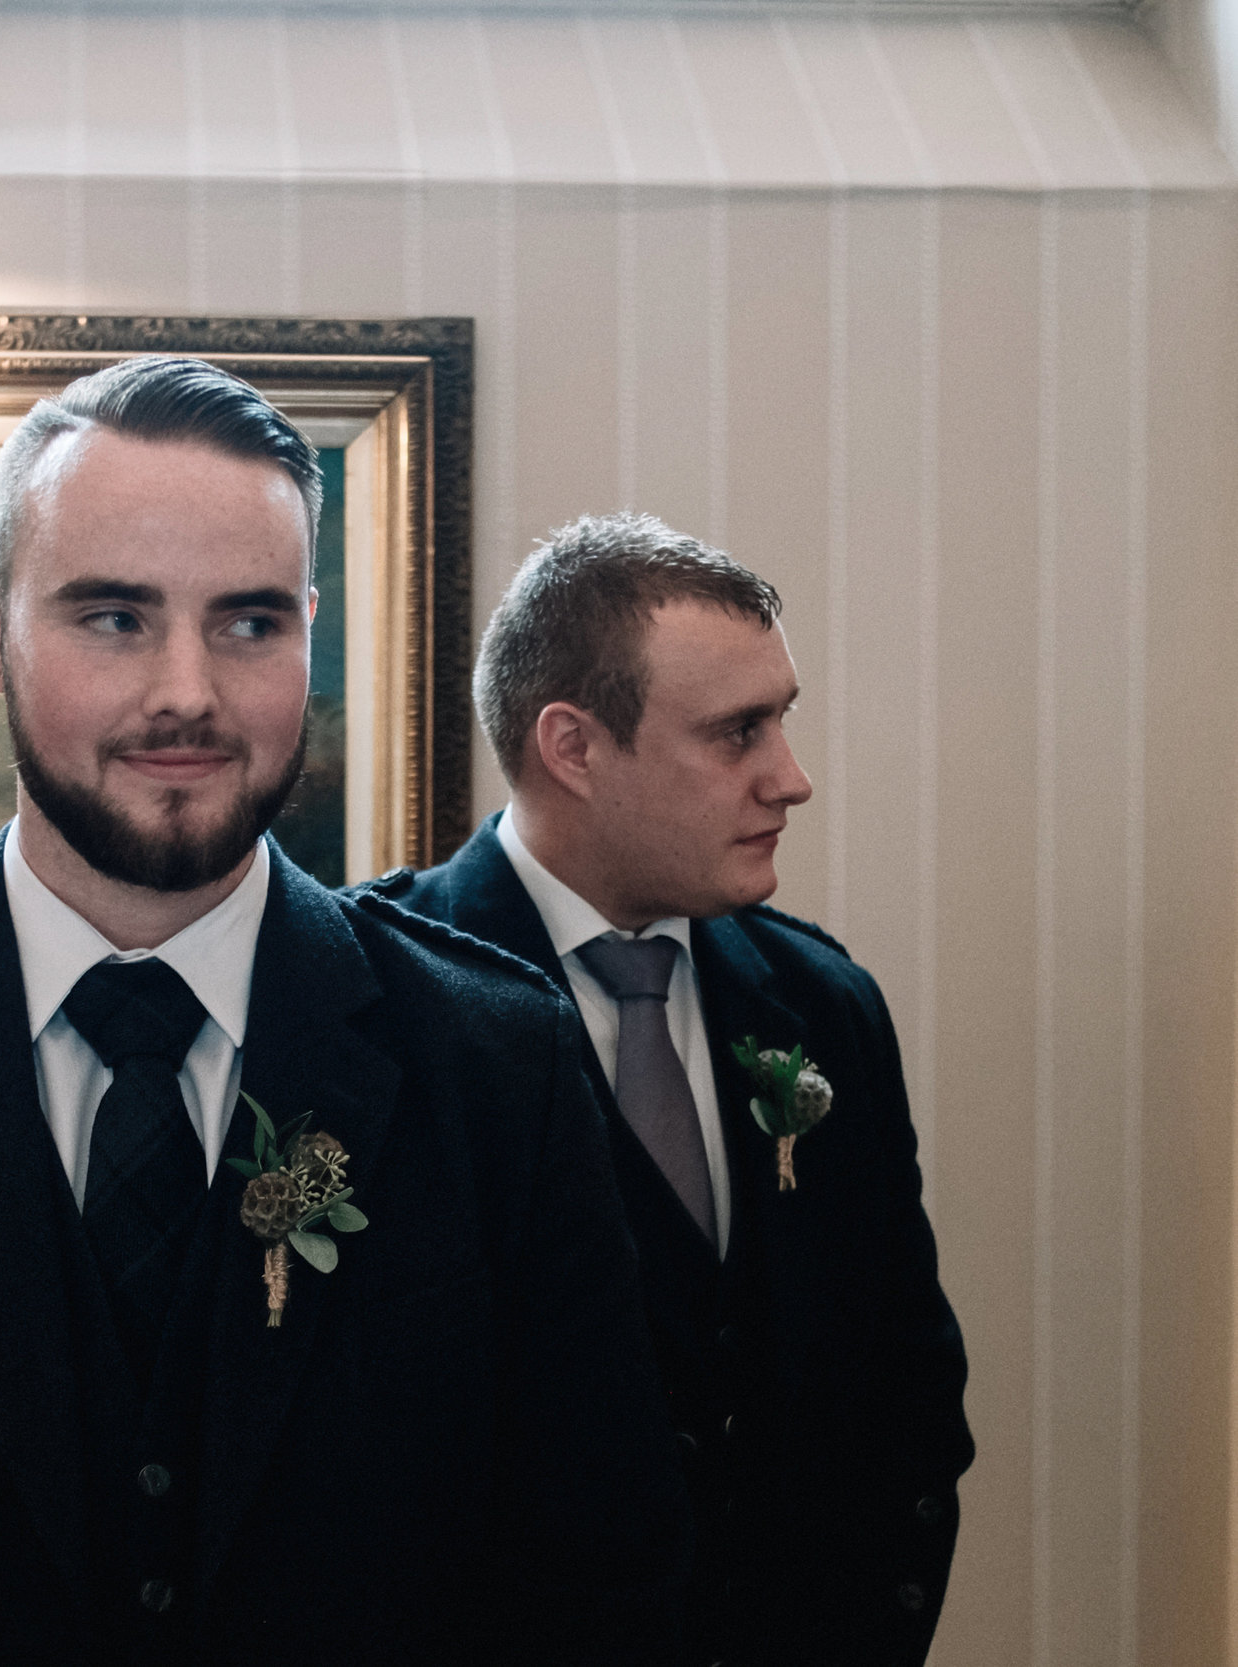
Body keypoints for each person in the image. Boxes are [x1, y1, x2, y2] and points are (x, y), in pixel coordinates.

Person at [0, 359, 686, 1665]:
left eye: (249, 622)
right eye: (113, 617)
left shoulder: (497, 1057)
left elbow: (601, 1591)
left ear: (308, 632)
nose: (187, 691)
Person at [362, 513, 972, 1667]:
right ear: (574, 746)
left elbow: (907, 1394)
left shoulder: (824, 1004)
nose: (791, 779)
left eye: (781, 720)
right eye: (737, 732)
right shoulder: (365, 1007)